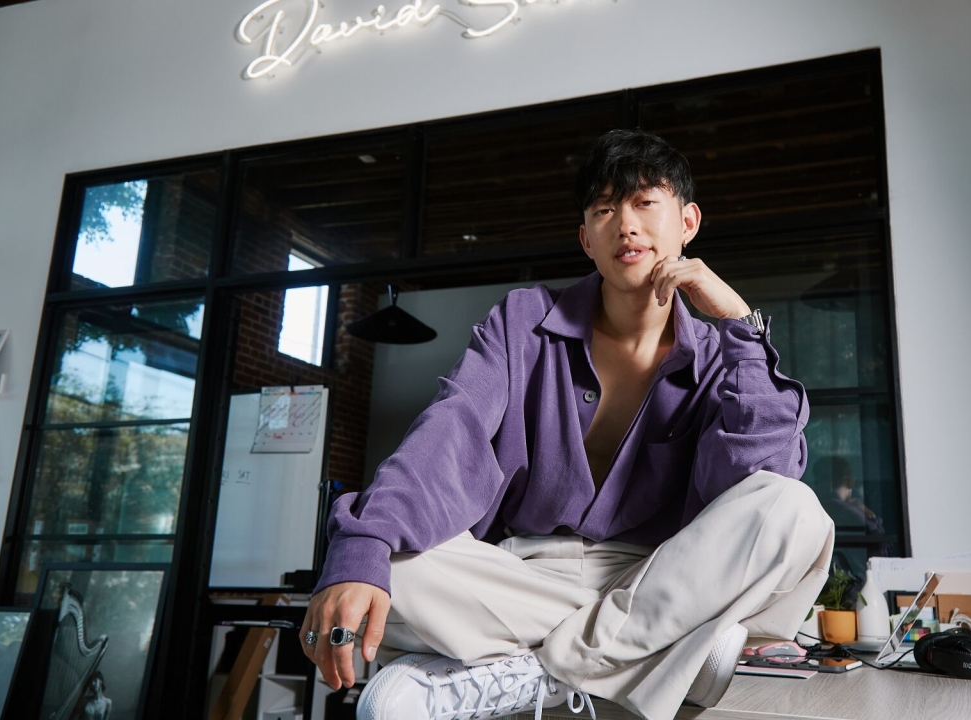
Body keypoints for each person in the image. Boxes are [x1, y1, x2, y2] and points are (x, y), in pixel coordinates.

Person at [300, 129, 835, 720]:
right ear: (586, 238)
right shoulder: (523, 319)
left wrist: (739, 324)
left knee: (795, 510)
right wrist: (365, 545)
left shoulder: (719, 352)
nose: (625, 225)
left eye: (644, 203)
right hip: (523, 573)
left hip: (661, 574)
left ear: (688, 222)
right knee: (392, 570)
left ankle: (537, 672)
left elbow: (762, 478)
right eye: (606, 209)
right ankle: (661, 654)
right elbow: (450, 428)